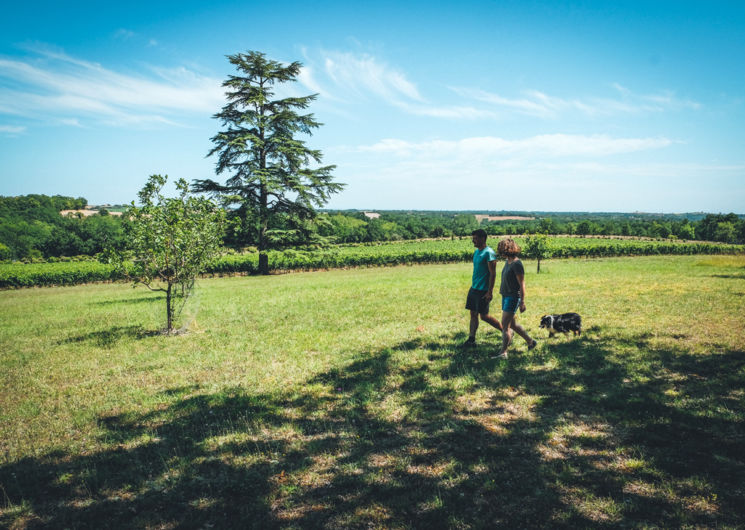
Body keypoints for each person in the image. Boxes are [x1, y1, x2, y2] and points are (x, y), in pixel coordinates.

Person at [496, 238, 537, 358]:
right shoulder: (507, 261)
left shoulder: (517, 264)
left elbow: (522, 284)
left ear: (507, 250)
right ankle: (531, 341)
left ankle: (503, 352)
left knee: (505, 325)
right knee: (512, 324)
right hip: (505, 295)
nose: (500, 252)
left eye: (501, 250)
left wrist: (522, 301)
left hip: (513, 297)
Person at [463, 229, 503, 346]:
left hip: (483, 290)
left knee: (484, 316)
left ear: (482, 239)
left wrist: (490, 291)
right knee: (473, 314)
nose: (473, 241)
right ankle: (471, 339)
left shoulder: (489, 253)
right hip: (474, 288)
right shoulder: (476, 252)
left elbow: (493, 273)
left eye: (475, 238)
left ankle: (506, 331)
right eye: (473, 238)